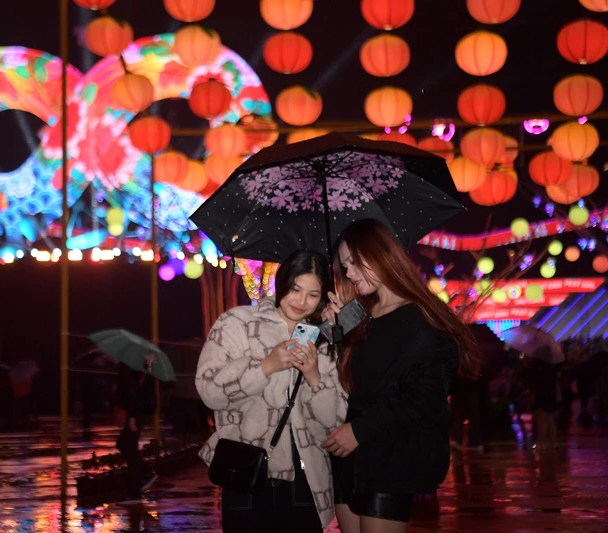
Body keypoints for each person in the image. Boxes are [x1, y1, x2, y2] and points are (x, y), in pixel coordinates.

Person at [321, 219, 478, 533]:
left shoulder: (426, 322)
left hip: (392, 457)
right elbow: (337, 377)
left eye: (354, 262)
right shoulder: (357, 313)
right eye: (344, 264)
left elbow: (424, 400)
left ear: (380, 254)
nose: (348, 272)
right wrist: (330, 330)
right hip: (349, 457)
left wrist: (360, 430)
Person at [196, 250, 346, 533]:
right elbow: (209, 391)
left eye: (313, 294)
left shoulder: (325, 341)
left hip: (307, 480)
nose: (301, 301)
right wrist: (266, 366)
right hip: (246, 471)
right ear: (281, 282)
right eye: (295, 288)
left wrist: (315, 378)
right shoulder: (237, 323)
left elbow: (331, 428)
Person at [115, 355, 158, 502]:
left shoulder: (129, 365)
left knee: (129, 447)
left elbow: (132, 390)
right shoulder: (144, 365)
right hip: (140, 411)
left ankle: (135, 491)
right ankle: (146, 473)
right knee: (123, 444)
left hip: (136, 412)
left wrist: (132, 416)